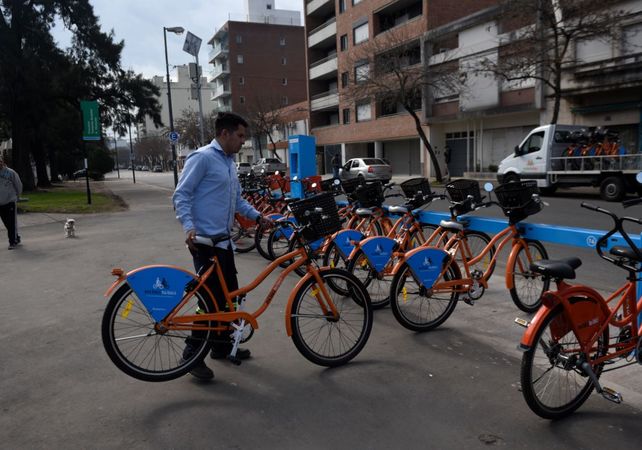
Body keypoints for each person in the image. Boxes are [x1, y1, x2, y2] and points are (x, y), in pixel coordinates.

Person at [173, 112, 273, 381]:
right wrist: (188, 227)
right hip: (204, 244)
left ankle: (221, 345)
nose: (243, 141)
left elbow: (238, 202)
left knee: (231, 296)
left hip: (224, 243)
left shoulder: (229, 164)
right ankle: (191, 356)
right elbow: (181, 194)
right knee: (209, 302)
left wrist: (258, 217)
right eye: (240, 136)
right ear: (225, 134)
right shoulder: (203, 158)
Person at [0, 155, 23, 250]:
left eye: (0, 162)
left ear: (2, 162)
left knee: (11, 222)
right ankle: (16, 237)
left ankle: (12, 242)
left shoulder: (10, 173)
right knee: (6, 223)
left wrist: (17, 196)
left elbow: (18, 184)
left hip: (10, 201)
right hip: (0, 203)